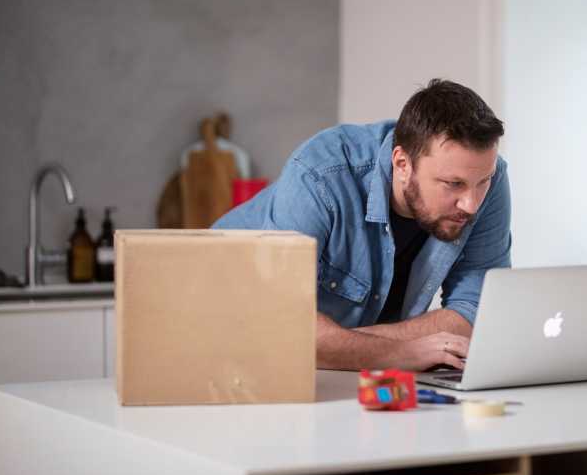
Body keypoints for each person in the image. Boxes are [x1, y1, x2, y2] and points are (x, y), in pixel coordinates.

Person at [213, 79, 511, 371]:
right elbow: (282, 326)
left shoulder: (488, 175)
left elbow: (475, 313)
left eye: (481, 182)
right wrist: (399, 352)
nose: (471, 204)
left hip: (319, 363)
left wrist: (337, 344)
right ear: (403, 164)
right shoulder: (320, 174)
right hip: (220, 328)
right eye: (452, 184)